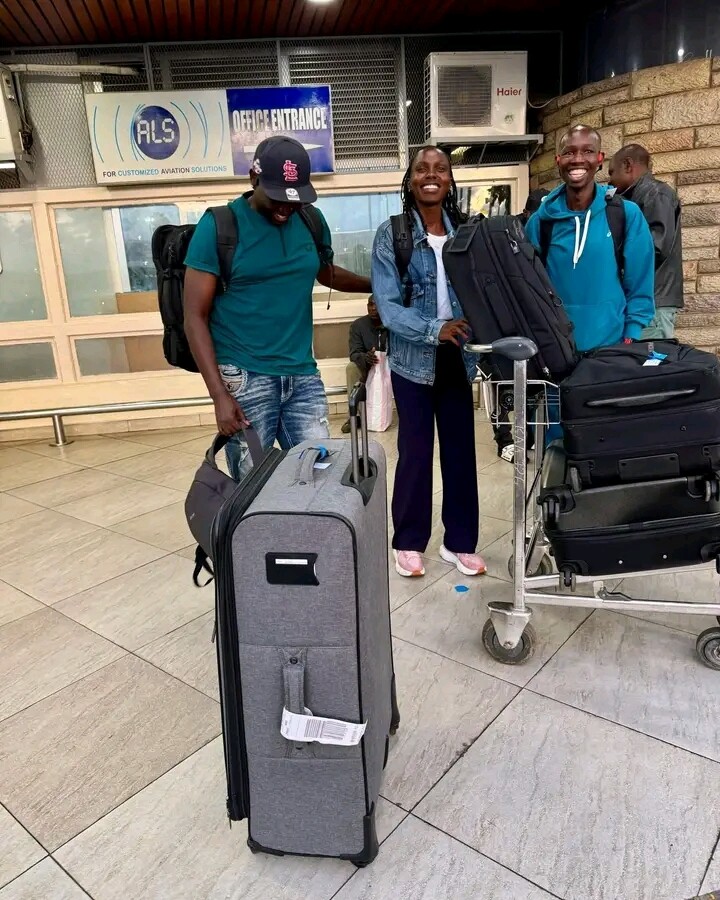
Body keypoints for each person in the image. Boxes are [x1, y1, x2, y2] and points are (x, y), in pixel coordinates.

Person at [183, 135, 371, 479]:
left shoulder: (310, 221)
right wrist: (218, 396)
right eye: (278, 197)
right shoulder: (219, 226)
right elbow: (194, 316)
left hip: (302, 373)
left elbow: (324, 271)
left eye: (295, 199)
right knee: (253, 484)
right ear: (253, 179)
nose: (286, 207)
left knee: (319, 475)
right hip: (245, 375)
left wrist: (377, 285)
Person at [371, 145, 486, 579]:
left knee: (460, 454)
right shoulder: (393, 234)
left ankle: (459, 543)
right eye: (422, 169)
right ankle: (408, 541)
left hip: (459, 357)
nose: (431, 175)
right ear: (411, 179)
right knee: (415, 453)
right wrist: (433, 328)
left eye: (440, 169)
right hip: (411, 360)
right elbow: (387, 305)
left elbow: (483, 290)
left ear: (450, 180)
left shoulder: (467, 232)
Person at [525, 125, 655, 354]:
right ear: (558, 160)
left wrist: (631, 335)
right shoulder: (540, 222)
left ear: (600, 159)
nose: (578, 159)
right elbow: (528, 288)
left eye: (587, 151)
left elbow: (640, 282)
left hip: (611, 348)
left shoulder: (625, 214)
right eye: (569, 152)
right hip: (556, 349)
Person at [491, 187, 550, 462]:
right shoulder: (507, 235)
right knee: (502, 385)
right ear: (526, 213)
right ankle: (505, 441)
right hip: (504, 324)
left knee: (534, 386)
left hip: (535, 325)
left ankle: (528, 436)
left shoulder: (545, 234)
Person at [609, 143, 683, 339]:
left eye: (612, 172)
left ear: (627, 165)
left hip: (653, 303)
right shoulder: (638, 196)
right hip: (645, 301)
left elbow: (656, 247)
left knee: (647, 357)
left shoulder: (656, 194)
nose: (610, 180)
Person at [341, 295, 388, 434]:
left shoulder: (391, 323)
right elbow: (354, 353)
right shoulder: (358, 325)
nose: (373, 308)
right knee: (351, 368)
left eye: (376, 305)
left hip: (390, 364)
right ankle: (354, 416)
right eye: (370, 305)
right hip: (368, 364)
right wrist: (366, 357)